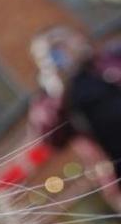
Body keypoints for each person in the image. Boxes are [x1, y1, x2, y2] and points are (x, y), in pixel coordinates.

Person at [29, 25, 121, 212]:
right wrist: (58, 92)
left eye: (60, 42)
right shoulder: (51, 100)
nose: (60, 52)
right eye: (50, 52)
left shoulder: (110, 59)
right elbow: (53, 139)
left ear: (78, 39)